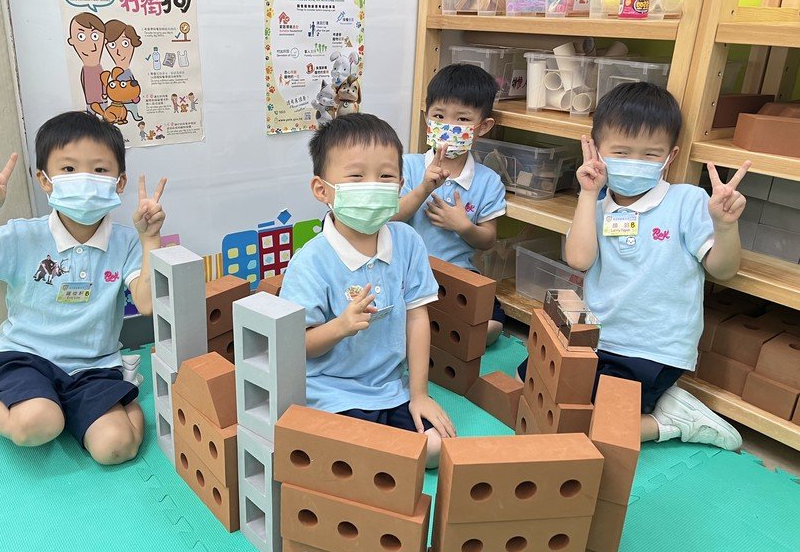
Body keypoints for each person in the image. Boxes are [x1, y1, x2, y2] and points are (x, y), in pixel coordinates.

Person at [0, 112, 168, 465]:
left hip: (94, 367)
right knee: (36, 425)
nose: (84, 179)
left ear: (120, 182)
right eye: (68, 168)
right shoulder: (22, 236)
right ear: (44, 180)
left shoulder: (126, 242)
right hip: (27, 359)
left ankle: (113, 393)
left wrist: (150, 239)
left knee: (117, 448)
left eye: (99, 169)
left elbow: (147, 304)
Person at [520, 82, 748, 450]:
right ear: (597, 150)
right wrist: (589, 193)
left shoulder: (687, 200)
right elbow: (578, 260)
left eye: (650, 154)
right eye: (621, 152)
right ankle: (660, 402)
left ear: (670, 156)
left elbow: (723, 270)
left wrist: (724, 226)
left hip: (653, 350)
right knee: (534, 388)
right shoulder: (594, 207)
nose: (635, 162)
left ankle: (671, 422)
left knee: (580, 426)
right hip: (596, 339)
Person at [280, 114, 455, 467]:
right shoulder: (310, 261)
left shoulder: (408, 242)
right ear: (322, 189)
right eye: (357, 176)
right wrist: (340, 327)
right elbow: (297, 345)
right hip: (330, 391)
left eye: (386, 176)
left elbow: (417, 318)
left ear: (400, 185)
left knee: (436, 448)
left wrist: (419, 394)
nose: (373, 185)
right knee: (352, 459)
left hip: (390, 388)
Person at [394, 64, 507, 346]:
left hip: (458, 275)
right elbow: (392, 218)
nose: (448, 126)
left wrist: (463, 227)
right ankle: (429, 332)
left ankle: (436, 332)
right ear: (427, 117)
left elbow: (488, 240)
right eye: (439, 116)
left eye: (462, 119)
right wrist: (424, 188)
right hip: (406, 271)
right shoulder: (408, 166)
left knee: (492, 321)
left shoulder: (488, 181)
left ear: (483, 127)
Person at [66, 12, 107, 117]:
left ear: (104, 40)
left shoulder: (99, 69)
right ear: (71, 41)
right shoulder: (84, 71)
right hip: (90, 103)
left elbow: (104, 83)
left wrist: (104, 94)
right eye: (81, 36)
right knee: (91, 120)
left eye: (95, 36)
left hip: (102, 101)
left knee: (105, 119)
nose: (91, 46)